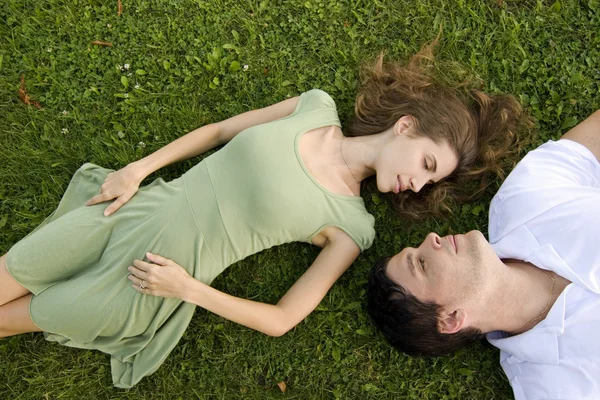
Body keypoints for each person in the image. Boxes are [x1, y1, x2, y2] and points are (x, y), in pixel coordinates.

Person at [0, 47, 525, 388]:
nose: (419, 183)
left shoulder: (352, 227)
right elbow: (216, 132)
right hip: (125, 211)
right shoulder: (314, 107)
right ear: (406, 126)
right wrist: (138, 169)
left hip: (150, 279)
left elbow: (281, 320)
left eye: (430, 183)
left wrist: (188, 289)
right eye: (427, 165)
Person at [367, 110, 600, 399]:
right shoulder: (552, 386)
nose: (431, 238)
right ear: (451, 319)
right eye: (422, 264)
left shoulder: (523, 201)